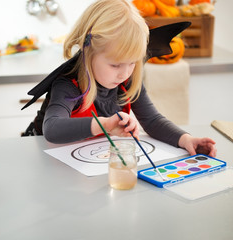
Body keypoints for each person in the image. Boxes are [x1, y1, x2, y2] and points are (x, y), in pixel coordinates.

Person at [22, 0, 216, 157]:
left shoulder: (127, 80)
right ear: (88, 52)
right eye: (115, 65)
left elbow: (152, 120)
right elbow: (53, 128)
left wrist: (185, 140)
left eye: (132, 63)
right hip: (45, 156)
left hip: (85, 159)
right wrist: (104, 124)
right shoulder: (69, 84)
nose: (124, 73)